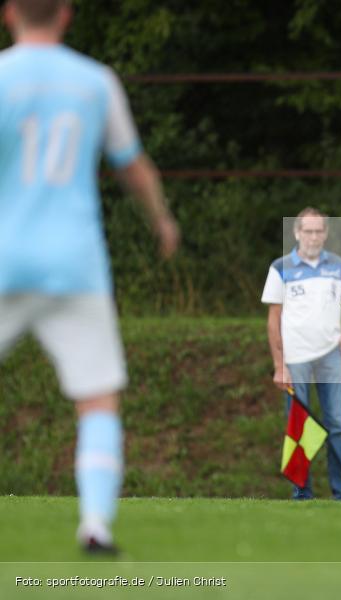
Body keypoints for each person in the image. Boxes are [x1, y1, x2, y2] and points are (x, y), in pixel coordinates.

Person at [0, 0, 179, 553]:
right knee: (97, 402)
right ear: (66, 15)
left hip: (5, 256)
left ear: (10, 14)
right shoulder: (95, 81)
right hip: (75, 261)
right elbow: (132, 162)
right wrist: (162, 221)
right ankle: (96, 525)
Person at [262, 207, 341, 500]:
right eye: (307, 231)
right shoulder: (280, 268)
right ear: (297, 233)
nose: (313, 237)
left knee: (336, 425)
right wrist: (278, 365)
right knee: (298, 425)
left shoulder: (337, 266)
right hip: (294, 359)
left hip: (330, 357)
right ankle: (302, 494)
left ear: (325, 234)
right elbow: (273, 319)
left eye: (318, 231)